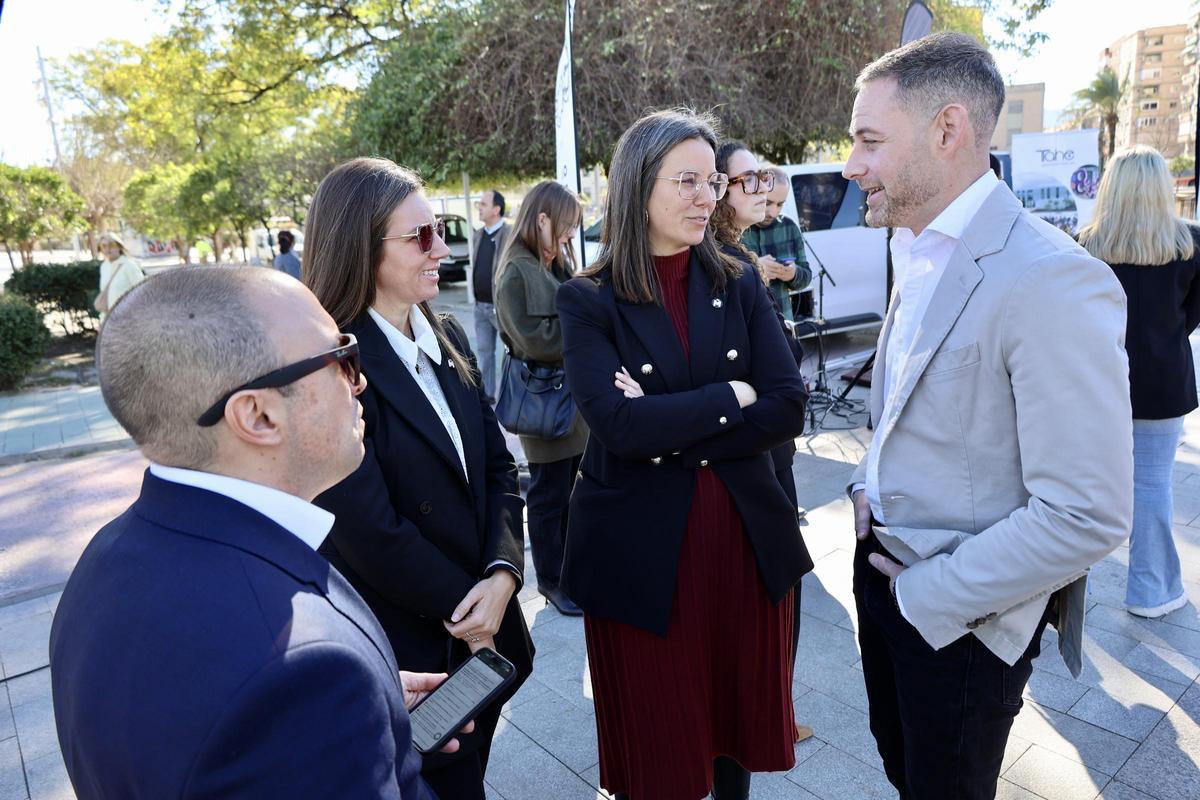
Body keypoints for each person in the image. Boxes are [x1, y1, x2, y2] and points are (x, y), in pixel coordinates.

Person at [843, 33, 1132, 799]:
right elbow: (909, 400)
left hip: (960, 617)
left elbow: (1087, 514)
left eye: (869, 140)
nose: (850, 164)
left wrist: (923, 596)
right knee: (905, 772)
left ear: (947, 130)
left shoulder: (1052, 278)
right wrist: (868, 489)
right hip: (887, 574)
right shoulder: (914, 243)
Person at [50, 266, 460, 799]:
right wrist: (331, 708)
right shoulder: (307, 672)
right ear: (259, 416)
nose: (360, 380)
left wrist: (366, 707)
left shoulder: (104, 558)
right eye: (341, 358)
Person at [556, 109, 812, 800]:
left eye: (711, 182)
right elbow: (617, 428)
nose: (709, 197)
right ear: (639, 185)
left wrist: (664, 416)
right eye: (689, 181)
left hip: (743, 549)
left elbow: (788, 405)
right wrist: (733, 392)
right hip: (642, 564)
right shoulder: (587, 298)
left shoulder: (738, 279)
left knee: (735, 750)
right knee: (658, 759)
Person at [303, 157, 533, 800]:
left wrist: (503, 574)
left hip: (483, 626)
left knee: (470, 774)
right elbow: (369, 530)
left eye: (440, 229)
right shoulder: (330, 369)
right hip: (414, 649)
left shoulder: (447, 331)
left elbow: (497, 467)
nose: (441, 249)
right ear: (359, 247)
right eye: (419, 237)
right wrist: (470, 605)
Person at [710, 140, 813, 741]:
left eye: (763, 176)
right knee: (776, 583)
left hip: (770, 442)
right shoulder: (729, 264)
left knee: (780, 583)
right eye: (746, 179)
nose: (762, 187)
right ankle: (771, 713)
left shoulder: (742, 255)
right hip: (757, 448)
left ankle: (775, 707)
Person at [1077, 145, 1200, 619]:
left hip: (1098, 382)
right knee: (1152, 487)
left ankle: (1054, 600)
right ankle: (1153, 593)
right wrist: (1164, 339)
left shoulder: (1086, 243)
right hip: (1164, 385)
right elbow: (1191, 316)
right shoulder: (1189, 244)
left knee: (1083, 490)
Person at [493, 179, 589, 617]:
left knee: (570, 492)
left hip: (568, 403)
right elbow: (533, 340)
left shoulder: (547, 262)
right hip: (544, 404)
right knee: (550, 498)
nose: (570, 234)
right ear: (542, 218)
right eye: (566, 225)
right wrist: (587, 329)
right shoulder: (517, 269)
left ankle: (570, 573)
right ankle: (552, 581)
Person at [741, 166, 812, 321]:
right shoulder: (737, 227)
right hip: (747, 326)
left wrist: (793, 274)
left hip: (783, 323)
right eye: (768, 202)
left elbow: (806, 276)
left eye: (780, 204)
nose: (773, 212)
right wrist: (755, 269)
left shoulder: (790, 227)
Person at [472, 190, 510, 402]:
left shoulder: (510, 234)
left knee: (509, 353)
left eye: (484, 204)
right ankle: (488, 397)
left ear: (496, 209)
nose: (480, 207)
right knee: (485, 353)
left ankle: (508, 395)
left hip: (501, 307)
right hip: (480, 307)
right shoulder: (479, 234)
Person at [95, 233, 145, 319]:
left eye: (111, 245)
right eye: (104, 246)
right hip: (108, 320)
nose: (108, 249)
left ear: (119, 247)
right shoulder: (104, 266)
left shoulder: (129, 265)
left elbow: (142, 292)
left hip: (128, 318)